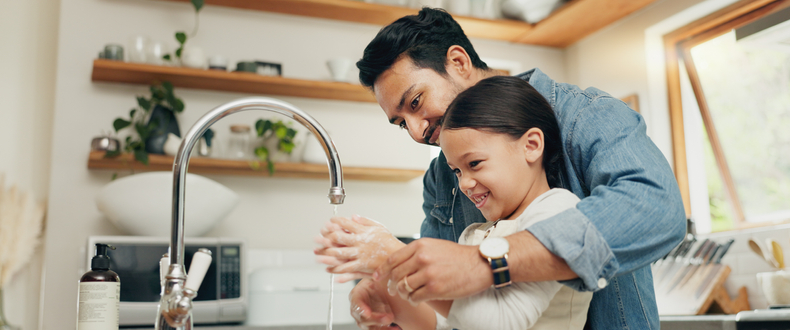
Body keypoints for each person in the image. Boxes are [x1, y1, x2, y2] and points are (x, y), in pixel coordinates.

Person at [315, 7, 686, 330]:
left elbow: (657, 208)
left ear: (458, 63)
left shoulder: (584, 115)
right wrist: (392, 299)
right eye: (400, 123)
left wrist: (487, 262)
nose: (415, 132)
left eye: (415, 101)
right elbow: (448, 309)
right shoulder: (441, 178)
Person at [319, 76, 593, 330]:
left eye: (474, 163)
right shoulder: (474, 234)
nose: (464, 184)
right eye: (457, 171)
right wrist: (388, 296)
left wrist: (391, 255)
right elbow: (441, 320)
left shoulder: (558, 210)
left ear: (531, 145)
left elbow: (505, 321)